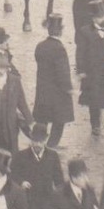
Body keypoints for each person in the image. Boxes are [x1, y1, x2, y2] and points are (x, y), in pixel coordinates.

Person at [75, 4, 104, 135]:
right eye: (101, 16)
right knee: (93, 99)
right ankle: (95, 124)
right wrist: (81, 70)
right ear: (94, 19)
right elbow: (80, 53)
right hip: (92, 71)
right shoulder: (85, 32)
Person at [33, 14, 74, 145]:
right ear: (61, 31)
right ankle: (52, 144)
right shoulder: (59, 49)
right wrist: (68, 88)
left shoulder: (40, 46)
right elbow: (62, 72)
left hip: (43, 89)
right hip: (57, 91)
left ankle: (38, 141)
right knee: (59, 119)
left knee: (42, 118)